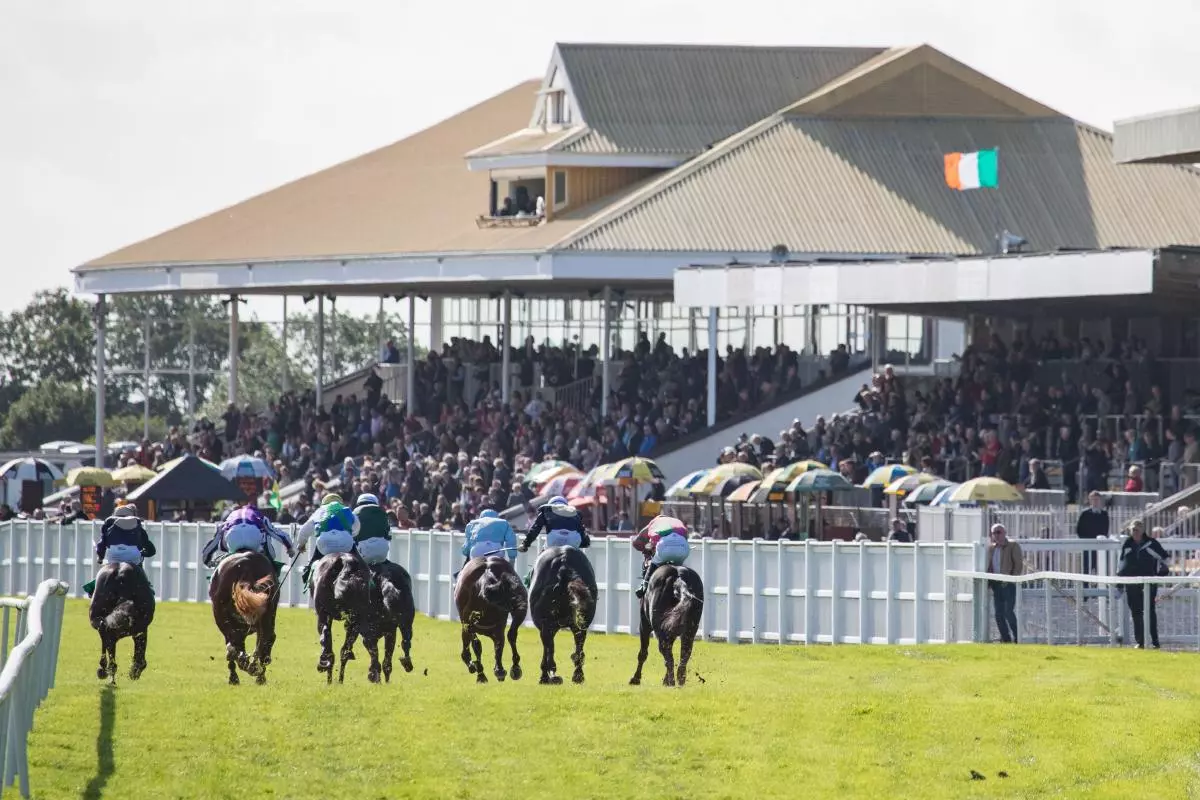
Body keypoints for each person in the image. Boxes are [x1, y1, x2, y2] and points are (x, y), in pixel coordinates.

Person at [83, 504, 157, 597]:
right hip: (133, 558)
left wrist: (100, 558)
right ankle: (148, 589)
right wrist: (142, 553)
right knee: (140, 574)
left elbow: (101, 545)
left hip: (114, 556)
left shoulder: (108, 525)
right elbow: (151, 550)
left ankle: (92, 590)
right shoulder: (138, 527)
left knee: (105, 572)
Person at [1117, 520, 1170, 649]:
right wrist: (1119, 581)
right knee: (1136, 612)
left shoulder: (1152, 543)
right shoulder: (1127, 544)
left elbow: (1165, 558)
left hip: (1149, 582)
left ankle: (1154, 641)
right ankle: (1140, 642)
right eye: (1133, 530)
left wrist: (1162, 572)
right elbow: (1122, 563)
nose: (1135, 532)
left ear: (1142, 531)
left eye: (1137, 530)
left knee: (1150, 611)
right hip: (1131, 582)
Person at [201, 504, 295, 573]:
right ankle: (271, 576)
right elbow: (275, 532)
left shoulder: (230, 517)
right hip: (253, 536)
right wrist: (289, 547)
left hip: (233, 537)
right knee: (267, 554)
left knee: (229, 558)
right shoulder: (259, 516)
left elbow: (215, 540)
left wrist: (207, 560)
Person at [517, 496, 589, 586]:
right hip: (573, 541)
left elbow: (535, 529)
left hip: (553, 540)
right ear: (565, 505)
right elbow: (585, 540)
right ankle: (588, 586)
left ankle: (530, 580)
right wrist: (582, 543)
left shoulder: (547, 510)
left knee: (540, 559)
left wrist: (525, 544)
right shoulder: (575, 513)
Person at [296, 493, 360, 587]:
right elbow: (357, 528)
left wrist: (301, 544)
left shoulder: (319, 511)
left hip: (325, 544)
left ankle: (308, 576)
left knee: (314, 560)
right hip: (345, 544)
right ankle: (366, 576)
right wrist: (350, 534)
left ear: (324, 503)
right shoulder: (347, 510)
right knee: (358, 561)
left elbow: (304, 530)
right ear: (340, 503)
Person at [631, 515, 691, 599]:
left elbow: (636, 542)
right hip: (683, 546)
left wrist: (645, 549)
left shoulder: (654, 523)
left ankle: (644, 586)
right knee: (680, 567)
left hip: (664, 546)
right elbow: (685, 539)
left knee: (654, 563)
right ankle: (688, 588)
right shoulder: (677, 522)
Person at [454, 509, 518, 581]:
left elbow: (467, 546)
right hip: (496, 551)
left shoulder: (473, 523)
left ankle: (458, 583)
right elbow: (511, 541)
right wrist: (512, 559)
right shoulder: (504, 523)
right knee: (511, 579)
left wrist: (465, 552)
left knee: (463, 576)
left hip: (477, 551)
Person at [985, 523, 1023, 644]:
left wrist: (1012, 579)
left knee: (1008, 611)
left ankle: (1018, 637)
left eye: (999, 532)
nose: (996, 535)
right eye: (994, 533)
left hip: (1008, 583)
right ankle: (1006, 639)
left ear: (1004, 533)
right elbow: (989, 565)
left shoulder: (1013, 545)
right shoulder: (991, 548)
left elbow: (1018, 565)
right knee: (998, 614)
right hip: (996, 584)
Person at [1075, 491, 1109, 577]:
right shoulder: (1085, 514)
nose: (1095, 501)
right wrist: (1085, 540)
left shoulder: (1104, 514)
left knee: (1099, 566)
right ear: (1090, 500)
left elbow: (1106, 529)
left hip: (1100, 545)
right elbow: (1079, 529)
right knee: (1086, 566)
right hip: (1087, 544)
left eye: (1097, 499)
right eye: (1093, 499)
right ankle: (1086, 586)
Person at [353, 494, 392, 565]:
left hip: (363, 554)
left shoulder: (355, 512)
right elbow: (389, 536)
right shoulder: (383, 512)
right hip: (383, 554)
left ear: (359, 503)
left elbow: (352, 535)